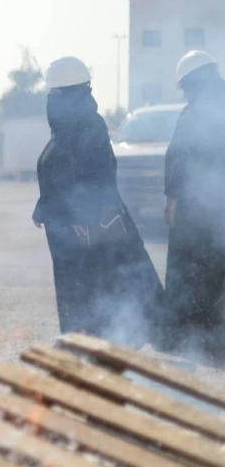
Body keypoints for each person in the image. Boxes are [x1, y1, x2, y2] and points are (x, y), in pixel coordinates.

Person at [32, 56, 164, 345]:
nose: (50, 99)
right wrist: (46, 207)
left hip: (85, 226)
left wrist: (85, 217)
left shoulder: (89, 126)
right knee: (77, 288)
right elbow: (58, 174)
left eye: (55, 93)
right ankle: (81, 340)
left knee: (96, 285)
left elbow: (100, 175)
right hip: (67, 226)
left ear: (70, 93)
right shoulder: (64, 130)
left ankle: (99, 343)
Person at [163, 50, 225, 360]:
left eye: (186, 85)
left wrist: (172, 196)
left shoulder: (195, 113)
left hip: (195, 211)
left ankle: (195, 344)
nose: (185, 93)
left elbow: (180, 157)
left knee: (192, 276)